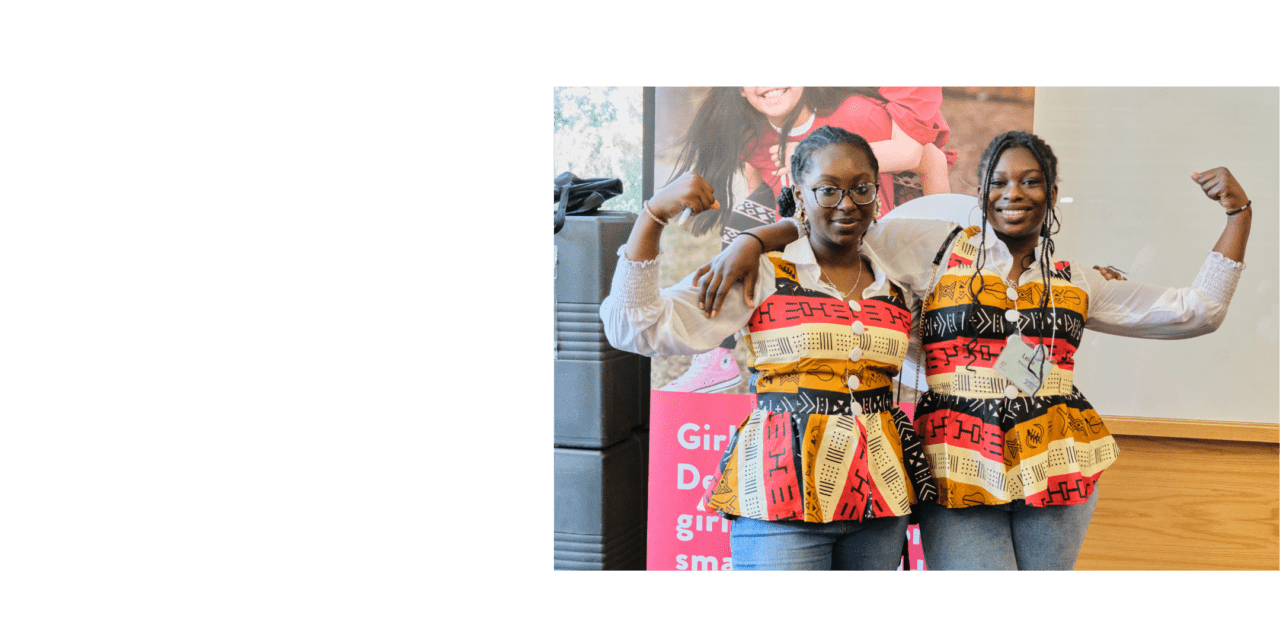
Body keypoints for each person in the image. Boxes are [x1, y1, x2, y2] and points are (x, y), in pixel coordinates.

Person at [690, 130, 1253, 570]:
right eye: (1000, 182)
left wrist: (1238, 216)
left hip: (1058, 461)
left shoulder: (1078, 280)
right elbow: (836, 221)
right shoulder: (929, 252)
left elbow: (1196, 311)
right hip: (957, 462)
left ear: (1052, 194)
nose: (1015, 194)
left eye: (1031, 182)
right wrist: (753, 239)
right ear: (979, 192)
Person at [601, 127, 935, 570]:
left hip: (878, 500)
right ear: (800, 195)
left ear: (877, 195)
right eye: (828, 190)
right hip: (781, 496)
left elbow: (936, 359)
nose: (847, 203)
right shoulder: (760, 273)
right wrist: (652, 217)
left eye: (861, 189)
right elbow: (635, 328)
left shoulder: (891, 281)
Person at [659, 86, 954, 393]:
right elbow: (760, 194)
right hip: (817, 259)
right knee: (747, 227)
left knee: (953, 349)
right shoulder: (754, 136)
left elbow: (925, 156)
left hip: (879, 250)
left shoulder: (858, 113)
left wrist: (946, 243)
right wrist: (751, 242)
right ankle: (717, 358)